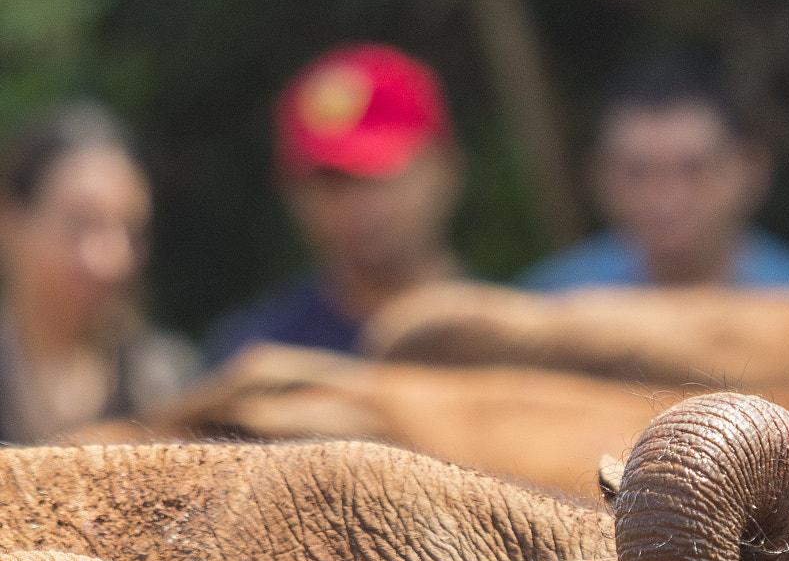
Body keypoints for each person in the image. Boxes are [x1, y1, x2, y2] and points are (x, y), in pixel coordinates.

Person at [202, 44, 464, 366]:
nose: (357, 204)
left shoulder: (517, 330)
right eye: (330, 184)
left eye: (377, 172)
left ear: (444, 168)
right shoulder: (259, 355)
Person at [519, 57, 789, 292]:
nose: (667, 198)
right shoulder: (552, 305)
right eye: (637, 173)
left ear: (752, 169)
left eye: (694, 170)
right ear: (599, 175)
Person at [0, 103, 193, 445]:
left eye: (131, 231)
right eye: (80, 224)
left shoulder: (164, 383)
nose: (114, 259)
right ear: (10, 222)